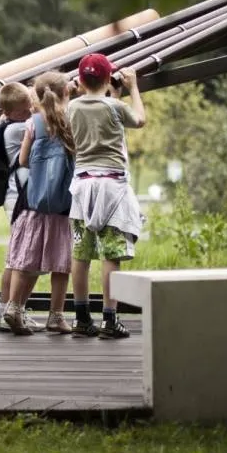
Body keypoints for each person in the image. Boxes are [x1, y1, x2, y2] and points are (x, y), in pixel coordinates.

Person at [66, 53, 146, 339]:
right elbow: (139, 120)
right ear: (107, 77)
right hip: (112, 187)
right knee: (111, 253)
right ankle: (110, 319)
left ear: (81, 79)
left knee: (81, 253)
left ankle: (80, 316)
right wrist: (133, 87)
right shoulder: (115, 106)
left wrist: (77, 92)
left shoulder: (71, 107)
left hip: (82, 187)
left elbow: (83, 107)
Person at [3, 72, 75, 335]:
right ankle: (56, 316)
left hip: (34, 202)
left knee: (26, 258)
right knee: (61, 263)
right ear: (66, 91)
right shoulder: (71, 119)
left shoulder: (33, 123)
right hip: (63, 204)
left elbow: (23, 161)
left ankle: (13, 308)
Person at [0, 82, 44, 333]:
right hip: (21, 198)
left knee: (17, 257)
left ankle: (8, 310)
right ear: (13, 112)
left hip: (15, 195)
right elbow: (49, 126)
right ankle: (11, 309)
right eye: (25, 109)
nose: (30, 111)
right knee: (23, 259)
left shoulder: (2, 124)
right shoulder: (20, 129)